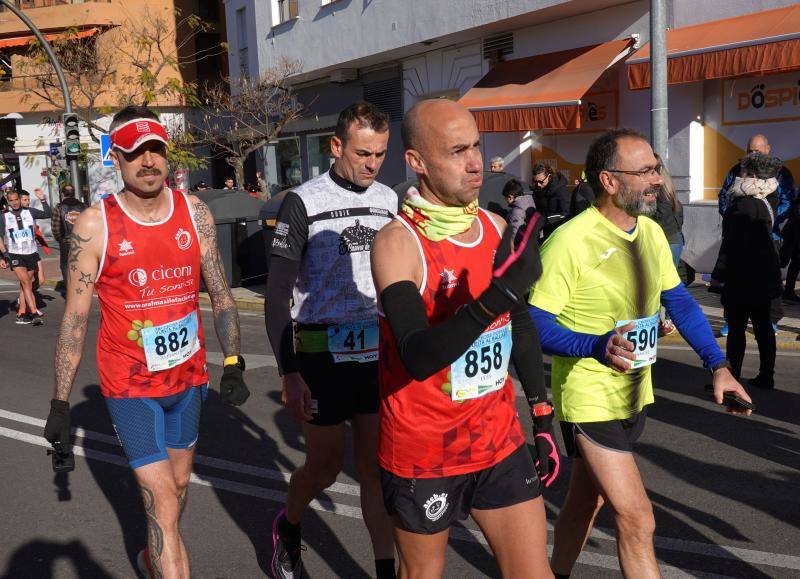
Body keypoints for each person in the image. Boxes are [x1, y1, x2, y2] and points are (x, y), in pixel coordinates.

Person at [528, 128, 753, 578]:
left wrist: (720, 366)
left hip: (634, 393)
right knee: (637, 518)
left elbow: (681, 303)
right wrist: (593, 345)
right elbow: (533, 323)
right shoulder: (569, 241)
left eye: (657, 168)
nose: (657, 179)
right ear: (609, 181)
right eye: (646, 170)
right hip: (589, 398)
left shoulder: (649, 232)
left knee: (584, 500)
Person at [42, 106, 250, 579]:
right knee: (160, 499)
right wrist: (60, 402)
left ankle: (149, 560)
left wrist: (233, 360)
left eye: (156, 149)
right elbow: (74, 321)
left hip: (188, 379)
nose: (149, 161)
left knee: (176, 492)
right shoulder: (96, 225)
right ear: (117, 157)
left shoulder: (194, 212)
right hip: (130, 386)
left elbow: (219, 292)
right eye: (137, 153)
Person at [371, 98, 557, 578]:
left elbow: (519, 325)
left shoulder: (494, 227)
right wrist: (496, 297)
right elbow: (416, 354)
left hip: (498, 442)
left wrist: (541, 415)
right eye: (457, 151)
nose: (475, 163)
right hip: (424, 453)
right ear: (417, 162)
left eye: (476, 146)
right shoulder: (397, 243)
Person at [265, 101, 398, 579]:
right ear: (336, 146)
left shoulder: (389, 199)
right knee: (323, 469)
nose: (372, 163)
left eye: (380, 153)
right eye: (363, 152)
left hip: (374, 351)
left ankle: (385, 570)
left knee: (374, 469)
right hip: (320, 351)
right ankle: (290, 522)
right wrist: (290, 372)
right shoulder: (303, 201)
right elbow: (277, 295)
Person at [712, 153, 783, 389]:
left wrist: (718, 276)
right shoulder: (769, 197)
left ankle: (732, 376)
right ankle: (766, 375)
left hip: (742, 278)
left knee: (736, 330)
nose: (737, 176)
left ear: (750, 175)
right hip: (764, 276)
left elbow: (731, 246)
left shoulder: (741, 205)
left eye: (741, 172)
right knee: (763, 328)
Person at [717, 134, 793, 336]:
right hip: (738, 238)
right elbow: (724, 195)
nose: (753, 154)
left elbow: (787, 201)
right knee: (734, 282)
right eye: (750, 150)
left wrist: (768, 221)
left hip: (770, 238)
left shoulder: (781, 173)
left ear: (768, 149)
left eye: (757, 151)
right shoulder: (736, 170)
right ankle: (731, 320)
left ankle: (772, 320)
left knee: (771, 283)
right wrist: (733, 217)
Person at [0, 188, 51, 325]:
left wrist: (42, 199)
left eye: (16, 199)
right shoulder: (3, 216)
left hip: (31, 253)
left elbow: (48, 213)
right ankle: (34, 313)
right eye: (11, 201)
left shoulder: (30, 212)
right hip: (15, 254)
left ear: (19, 199)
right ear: (8, 201)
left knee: (25, 284)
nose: (15, 203)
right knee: (26, 283)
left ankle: (22, 313)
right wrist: (3, 256)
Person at [653, 156, 684, 336]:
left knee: (664, 283)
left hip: (667, 239)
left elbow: (662, 217)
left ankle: (666, 320)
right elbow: (678, 211)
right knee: (668, 281)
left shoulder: (659, 188)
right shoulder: (667, 183)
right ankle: (664, 319)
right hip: (673, 238)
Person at [51, 183, 87, 291]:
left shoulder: (59, 208)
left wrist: (60, 239)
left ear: (63, 194)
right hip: (82, 241)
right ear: (74, 193)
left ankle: (70, 290)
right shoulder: (83, 207)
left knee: (66, 266)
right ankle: (82, 289)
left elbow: (55, 227)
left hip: (66, 241)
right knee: (83, 264)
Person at [531, 162, 570, 239]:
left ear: (549, 176)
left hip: (556, 230)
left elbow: (566, 213)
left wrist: (547, 219)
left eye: (541, 182)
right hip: (541, 228)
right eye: (535, 181)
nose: (538, 185)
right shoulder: (537, 188)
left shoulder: (560, 190)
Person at [503, 178, 538, 246]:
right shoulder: (530, 202)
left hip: (520, 247)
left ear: (510, 197)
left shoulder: (516, 211)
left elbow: (515, 234)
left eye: (506, 198)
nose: (506, 201)